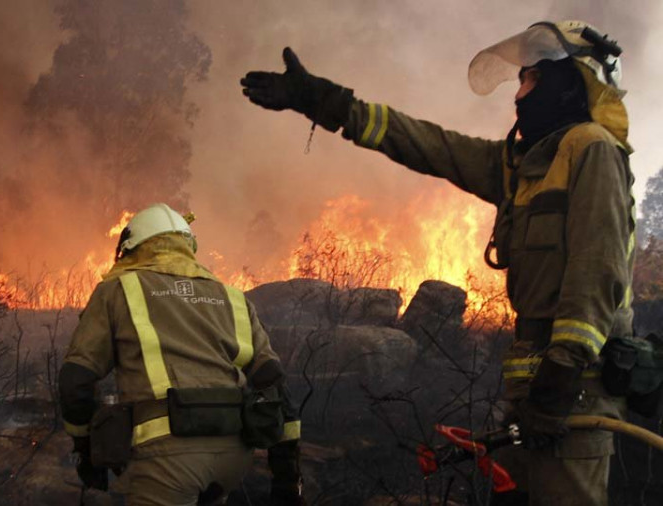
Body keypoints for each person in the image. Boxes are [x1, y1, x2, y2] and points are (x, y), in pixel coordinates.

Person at [241, 20, 633, 506]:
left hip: (574, 395)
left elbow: (598, 274)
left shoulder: (591, 149)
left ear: (564, 84)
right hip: (532, 396)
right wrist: (328, 103)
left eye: (529, 80)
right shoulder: (523, 166)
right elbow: (429, 144)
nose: (518, 96)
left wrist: (558, 382)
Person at [59, 203, 304, 505]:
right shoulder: (232, 297)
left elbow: (75, 381)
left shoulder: (118, 290)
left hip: (167, 460)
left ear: (131, 248)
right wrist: (287, 480)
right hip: (234, 457)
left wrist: (85, 449)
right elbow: (275, 384)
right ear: (188, 247)